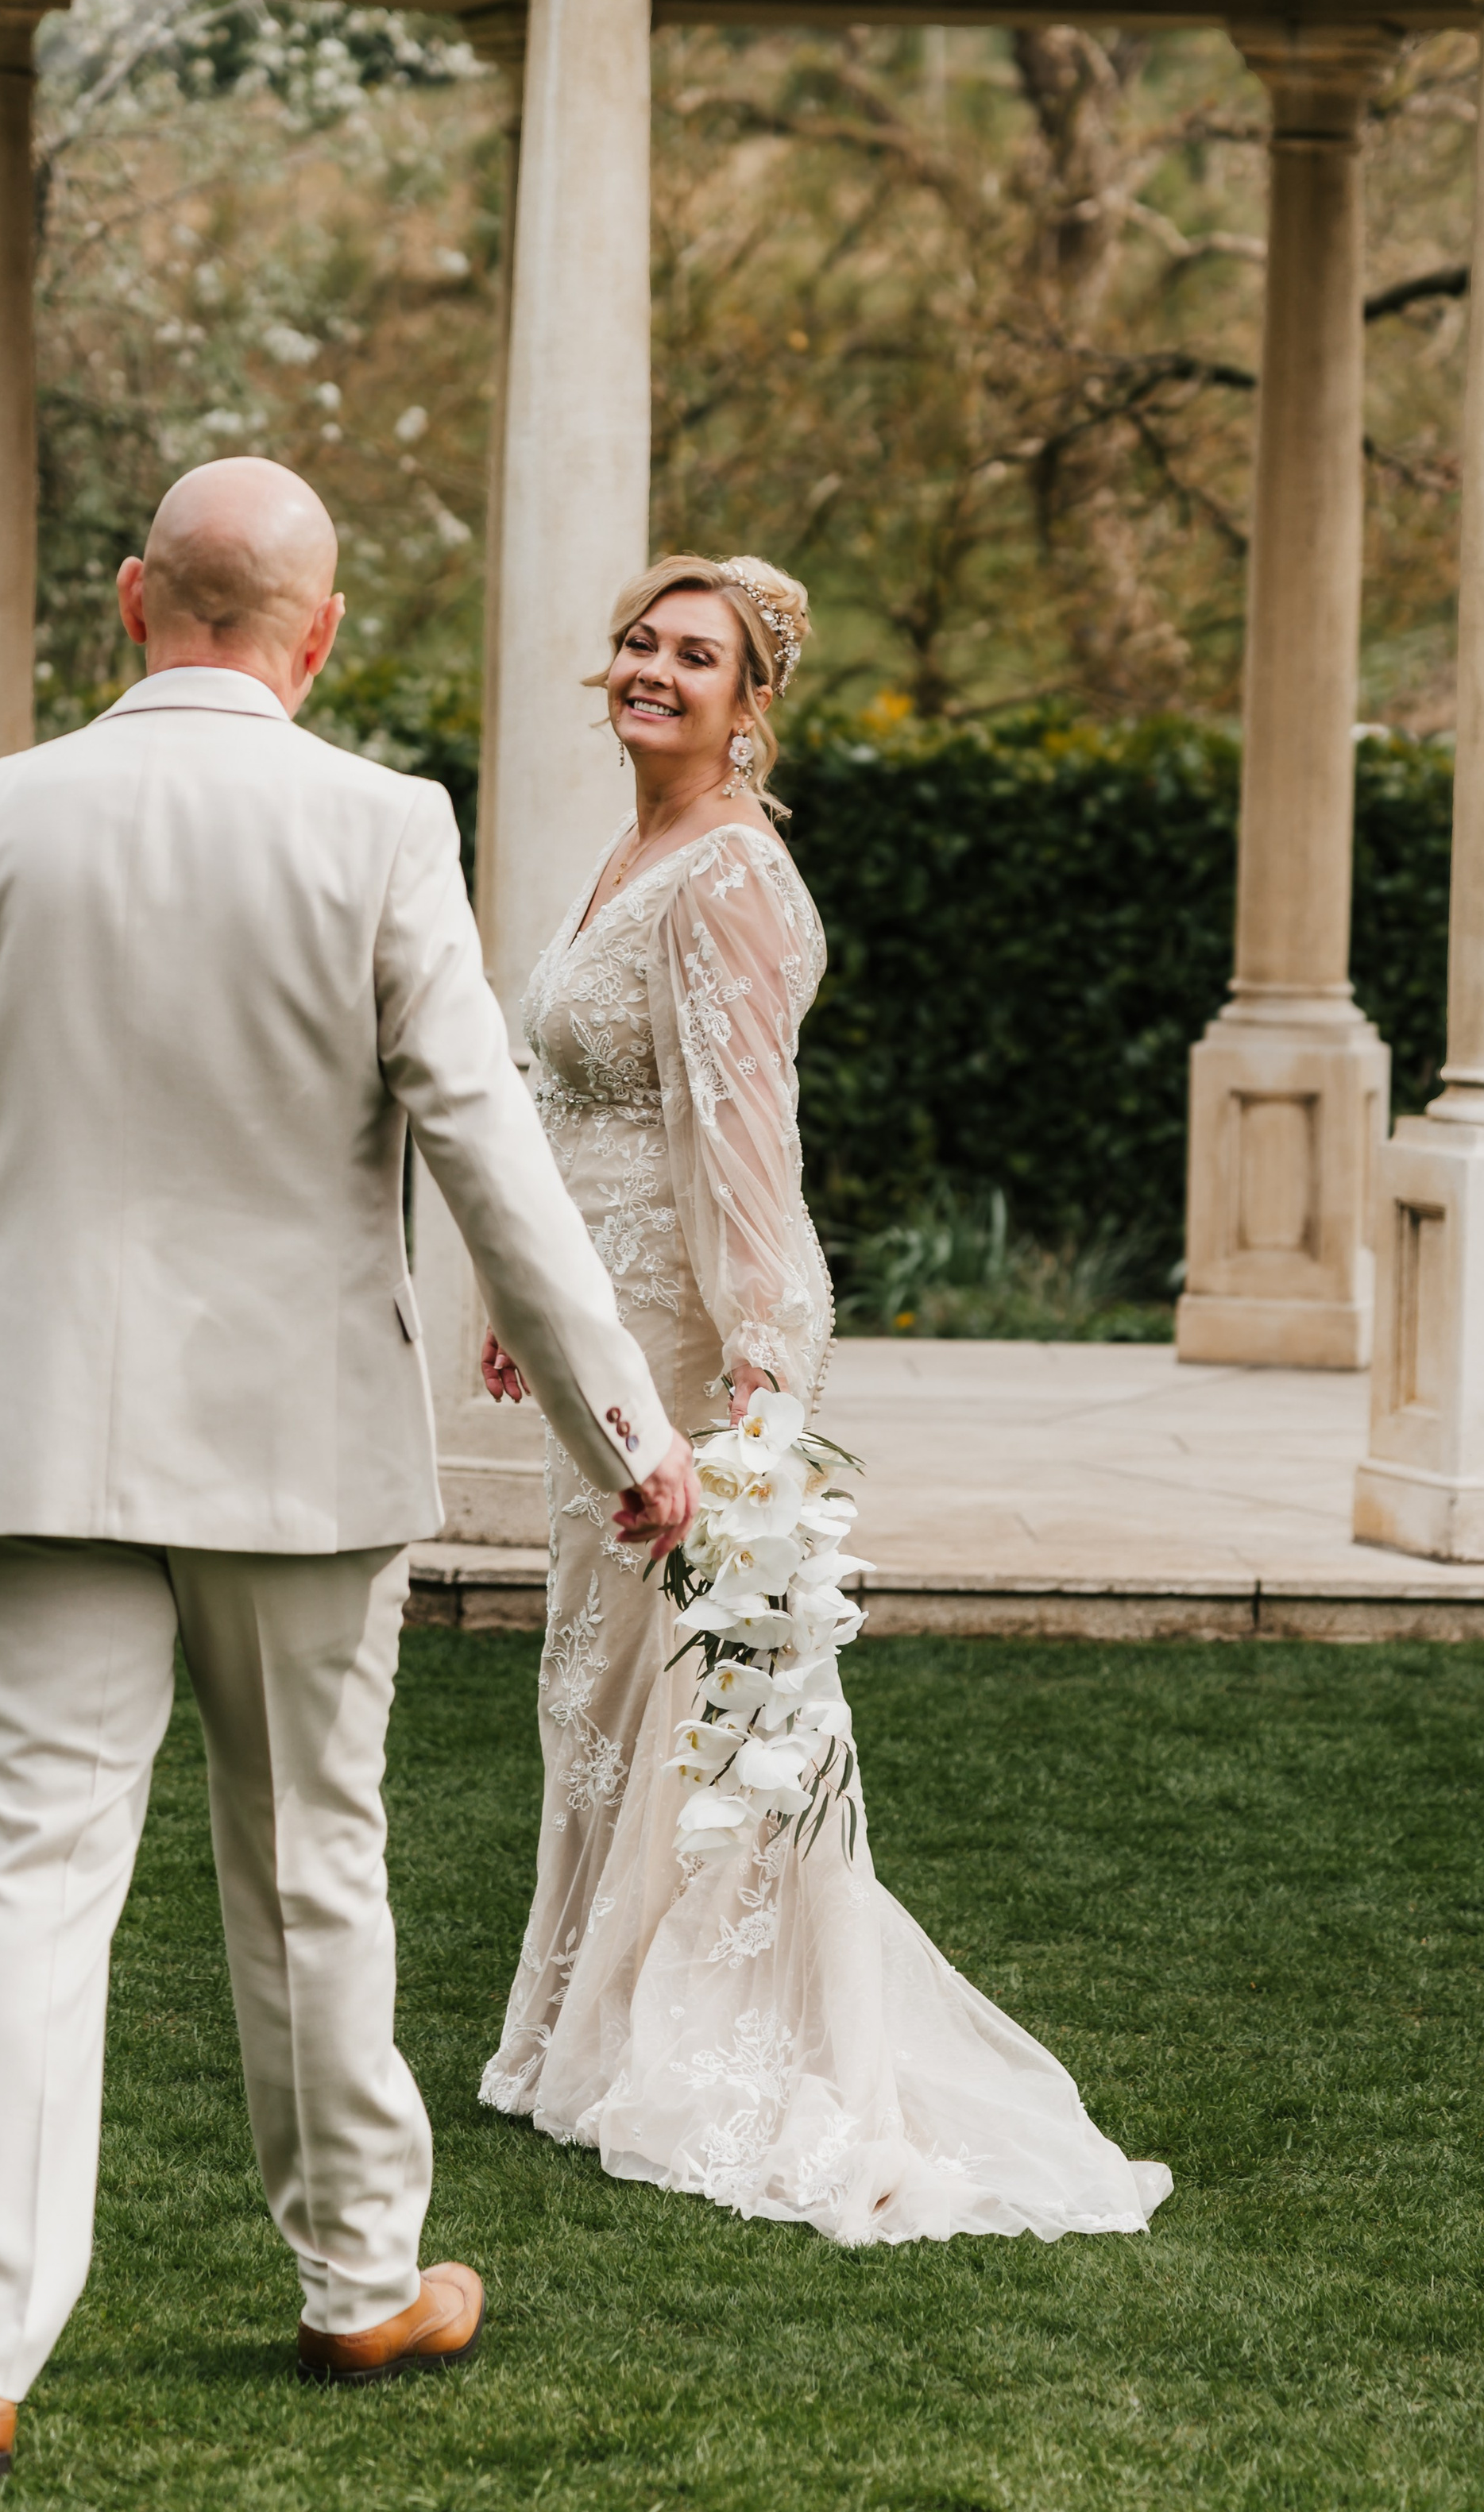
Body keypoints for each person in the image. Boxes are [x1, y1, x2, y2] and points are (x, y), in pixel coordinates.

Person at [0, 458, 697, 2487]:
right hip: (298, 1444)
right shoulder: (381, 824)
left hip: (29, 1425)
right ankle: (361, 2279)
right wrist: (622, 1426)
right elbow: (486, 1150)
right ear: (322, 631)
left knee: (24, 1874)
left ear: (135, 599)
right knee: (309, 1857)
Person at [477, 554, 1171, 2248]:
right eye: (637, 640)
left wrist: (757, 1389)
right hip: (602, 1327)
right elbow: (580, 1109)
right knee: (602, 1689)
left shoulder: (726, 872)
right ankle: (580, 2023)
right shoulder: (628, 849)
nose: (651, 668)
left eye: (693, 654)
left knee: (709, 1704)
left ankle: (718, 2044)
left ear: (748, 701)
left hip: (689, 1349)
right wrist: (529, 1298)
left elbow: (742, 1143)